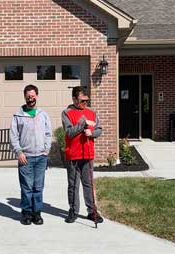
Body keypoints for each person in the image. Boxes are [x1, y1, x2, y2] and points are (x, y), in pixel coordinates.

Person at [10, 84, 52, 226]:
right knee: (27, 187)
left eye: (33, 96)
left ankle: (37, 213)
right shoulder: (18, 115)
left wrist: (46, 150)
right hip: (25, 157)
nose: (31, 99)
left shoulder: (43, 114)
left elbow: (48, 133)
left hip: (41, 157)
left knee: (38, 187)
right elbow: (13, 136)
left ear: (37, 96)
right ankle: (27, 213)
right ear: (25, 97)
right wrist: (19, 152)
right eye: (28, 97)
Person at [61, 86, 104, 224]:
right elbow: (69, 132)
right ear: (74, 99)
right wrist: (83, 124)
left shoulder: (92, 112)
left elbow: (99, 129)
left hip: (88, 154)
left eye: (86, 101)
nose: (85, 104)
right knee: (73, 185)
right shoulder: (67, 113)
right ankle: (73, 211)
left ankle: (92, 212)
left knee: (89, 184)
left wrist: (92, 133)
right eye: (82, 101)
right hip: (73, 155)